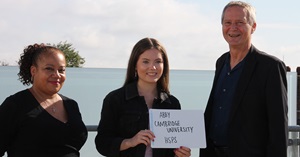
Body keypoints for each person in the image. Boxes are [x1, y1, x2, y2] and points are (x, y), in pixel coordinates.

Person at [200, 1, 288, 157]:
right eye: (228, 22)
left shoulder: (270, 67)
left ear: (253, 27)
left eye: (240, 22)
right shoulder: (221, 62)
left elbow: (278, 127)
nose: (233, 28)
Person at [95, 37, 191, 157]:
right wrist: (130, 142)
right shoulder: (115, 99)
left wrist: (180, 154)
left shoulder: (172, 103)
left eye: (158, 61)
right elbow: (102, 143)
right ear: (135, 65)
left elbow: (172, 149)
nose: (153, 67)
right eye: (145, 61)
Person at [0, 44, 88, 157]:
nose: (57, 75)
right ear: (33, 71)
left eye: (61, 70)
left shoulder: (71, 105)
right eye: (49, 69)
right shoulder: (15, 104)